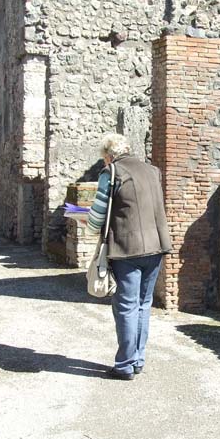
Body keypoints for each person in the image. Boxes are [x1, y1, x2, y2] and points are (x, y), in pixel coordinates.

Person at [86, 133, 171, 380]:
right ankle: (137, 360)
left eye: (104, 158)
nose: (104, 162)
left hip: (127, 248)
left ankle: (124, 365)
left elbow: (97, 218)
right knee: (143, 305)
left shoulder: (112, 172)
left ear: (109, 155)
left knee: (125, 306)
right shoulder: (153, 171)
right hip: (156, 246)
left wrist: (90, 226)